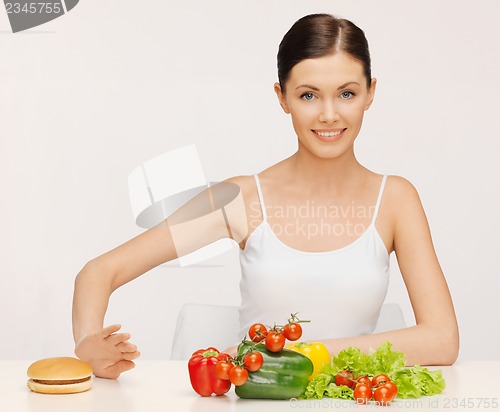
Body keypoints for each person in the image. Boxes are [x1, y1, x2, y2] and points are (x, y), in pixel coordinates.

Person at [72, 13, 459, 379]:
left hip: (351, 400)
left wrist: (308, 355)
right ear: (282, 97)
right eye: (308, 96)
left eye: (346, 93)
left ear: (370, 93)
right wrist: (88, 342)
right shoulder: (242, 198)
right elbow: (100, 271)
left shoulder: (396, 199)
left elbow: (442, 339)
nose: (328, 114)